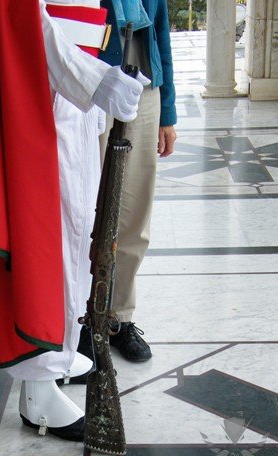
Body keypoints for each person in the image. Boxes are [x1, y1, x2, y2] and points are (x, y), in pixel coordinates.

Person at [0, 0, 149, 442]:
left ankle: (57, 349)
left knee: (77, 230)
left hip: (71, 84)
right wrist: (93, 82)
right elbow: (21, 24)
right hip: (37, 91)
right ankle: (38, 389)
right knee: (47, 237)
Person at [78, 0, 177, 363]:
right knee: (84, 210)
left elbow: (160, 30)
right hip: (87, 83)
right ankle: (82, 319)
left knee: (134, 212)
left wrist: (167, 110)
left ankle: (118, 317)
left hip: (143, 87)